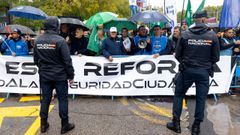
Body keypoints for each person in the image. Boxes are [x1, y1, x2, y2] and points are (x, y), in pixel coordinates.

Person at [166, 11, 220, 135]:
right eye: (206, 18)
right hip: (203, 72)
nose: (207, 20)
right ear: (202, 20)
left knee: (179, 95)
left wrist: (186, 63)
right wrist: (205, 65)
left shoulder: (185, 35)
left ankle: (176, 124)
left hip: (187, 70)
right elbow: (216, 57)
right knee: (201, 99)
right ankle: (196, 127)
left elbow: (178, 55)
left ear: (195, 20)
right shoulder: (212, 36)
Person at [33, 16, 75, 134]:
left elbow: (35, 60)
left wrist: (43, 69)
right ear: (56, 26)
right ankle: (64, 125)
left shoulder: (38, 41)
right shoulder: (60, 40)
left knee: (45, 100)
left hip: (45, 76)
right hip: (60, 76)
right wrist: (71, 76)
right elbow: (67, 61)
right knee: (62, 100)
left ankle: (43, 124)